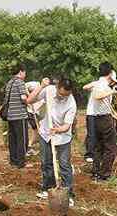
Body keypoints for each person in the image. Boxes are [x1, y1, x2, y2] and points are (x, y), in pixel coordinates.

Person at [27, 77, 77, 207]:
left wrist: (57, 130)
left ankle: (68, 194)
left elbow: (67, 126)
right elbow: (29, 100)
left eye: (66, 95)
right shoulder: (48, 90)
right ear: (57, 87)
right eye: (61, 94)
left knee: (65, 165)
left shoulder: (71, 103)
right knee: (46, 162)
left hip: (62, 136)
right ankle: (47, 188)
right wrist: (41, 86)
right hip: (46, 133)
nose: (63, 97)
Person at [90, 62, 117, 181]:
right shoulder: (102, 85)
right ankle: (104, 173)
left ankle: (96, 172)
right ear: (110, 73)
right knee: (110, 147)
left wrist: (114, 114)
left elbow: (103, 103)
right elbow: (97, 96)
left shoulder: (101, 83)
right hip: (103, 119)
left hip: (99, 118)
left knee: (99, 146)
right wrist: (112, 91)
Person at [4, 64, 31, 168]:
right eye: (25, 72)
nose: (25, 74)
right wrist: (29, 101)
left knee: (13, 139)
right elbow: (24, 98)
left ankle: (13, 161)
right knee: (22, 140)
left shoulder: (10, 82)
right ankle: (21, 162)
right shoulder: (20, 82)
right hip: (20, 115)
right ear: (21, 72)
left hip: (10, 116)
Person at [26, 81, 44, 156]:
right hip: (31, 113)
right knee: (36, 132)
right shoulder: (34, 84)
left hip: (36, 113)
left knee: (38, 132)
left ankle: (31, 146)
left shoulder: (42, 90)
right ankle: (29, 147)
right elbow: (24, 86)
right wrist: (28, 94)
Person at [83, 80, 99, 163]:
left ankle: (96, 151)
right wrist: (95, 85)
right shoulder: (98, 84)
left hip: (101, 114)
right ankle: (89, 154)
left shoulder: (109, 89)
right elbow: (85, 87)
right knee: (92, 134)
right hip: (92, 113)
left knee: (98, 134)